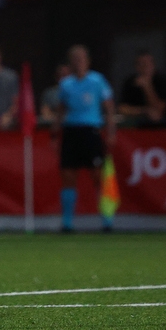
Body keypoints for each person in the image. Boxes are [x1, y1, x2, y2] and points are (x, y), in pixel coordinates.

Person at [51, 45, 117, 233]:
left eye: (81, 58)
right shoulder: (66, 84)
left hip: (91, 131)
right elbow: (61, 111)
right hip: (71, 132)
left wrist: (111, 132)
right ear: (70, 62)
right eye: (74, 59)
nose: (78, 62)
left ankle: (107, 221)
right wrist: (55, 134)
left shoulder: (97, 81)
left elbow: (109, 107)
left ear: (87, 61)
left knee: (98, 176)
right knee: (68, 176)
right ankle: (67, 223)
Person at [118, 51, 166, 124]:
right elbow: (122, 109)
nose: (144, 67)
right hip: (138, 127)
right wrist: (145, 111)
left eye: (147, 64)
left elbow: (159, 109)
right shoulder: (130, 82)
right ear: (136, 66)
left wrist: (147, 87)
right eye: (141, 64)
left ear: (153, 65)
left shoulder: (162, 81)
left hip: (165, 127)